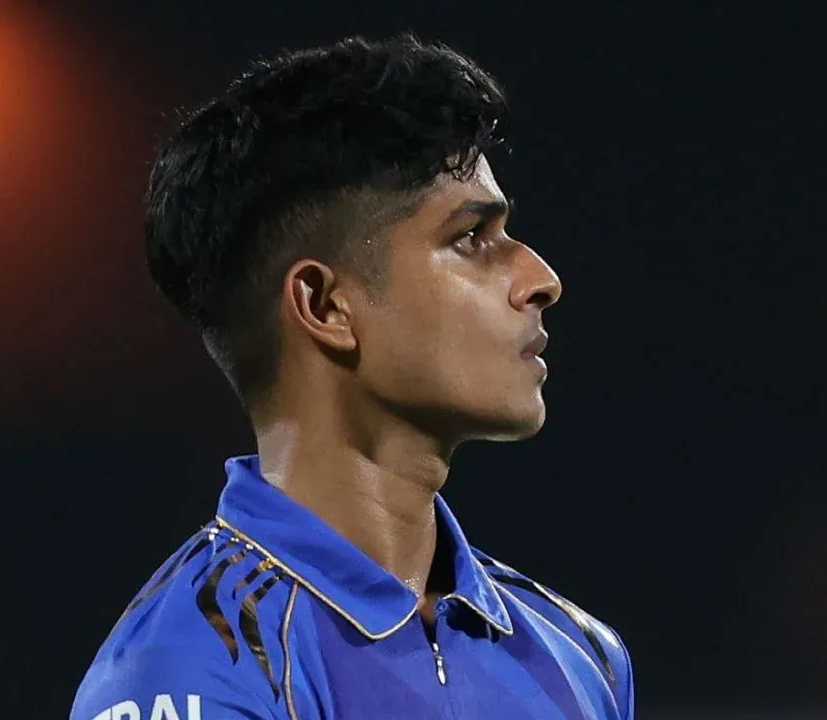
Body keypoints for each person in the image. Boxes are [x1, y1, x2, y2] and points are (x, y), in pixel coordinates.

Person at [70, 33, 634, 720]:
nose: (541, 278)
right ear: (326, 305)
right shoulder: (193, 670)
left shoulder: (581, 657)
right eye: (470, 238)